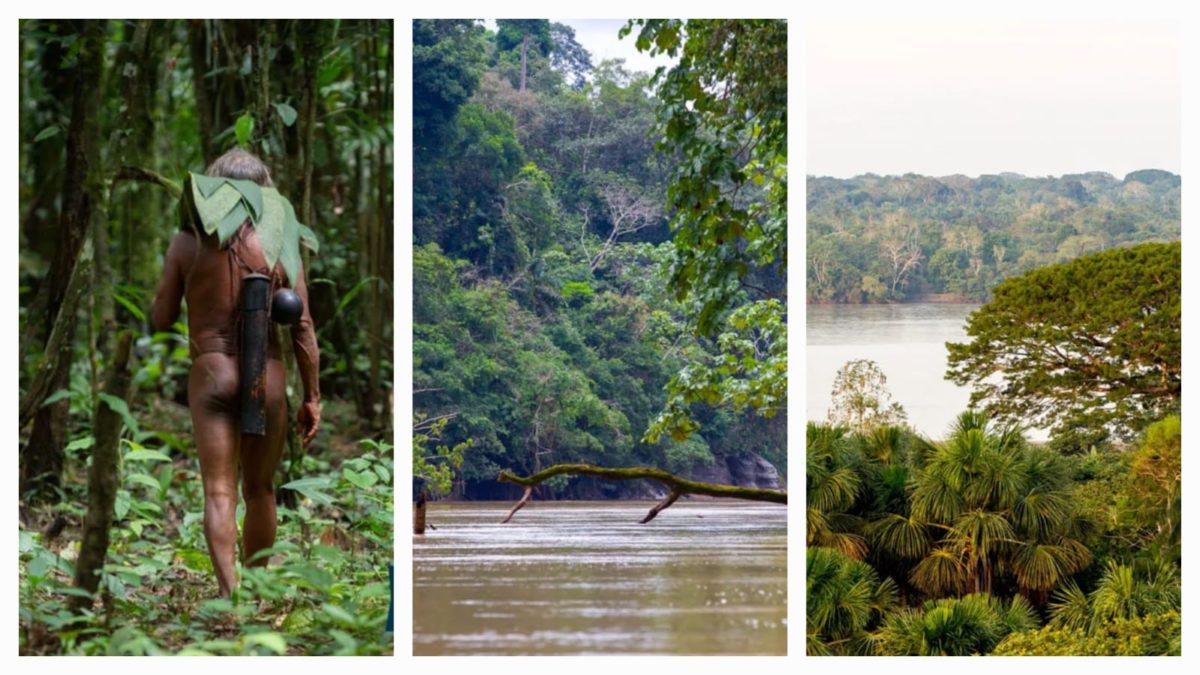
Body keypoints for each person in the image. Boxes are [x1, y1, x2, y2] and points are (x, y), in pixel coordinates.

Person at [151, 149, 320, 597]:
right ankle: (261, 588)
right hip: (268, 376)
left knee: (219, 492)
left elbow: (162, 318)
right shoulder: (281, 245)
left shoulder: (187, 242)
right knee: (261, 489)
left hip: (210, 374)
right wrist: (312, 397)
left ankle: (230, 597)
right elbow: (303, 326)